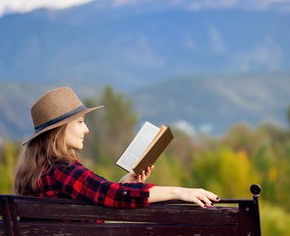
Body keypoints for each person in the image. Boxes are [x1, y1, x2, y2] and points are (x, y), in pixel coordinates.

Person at [14, 86, 219, 208]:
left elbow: (105, 193)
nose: (86, 130)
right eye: (80, 122)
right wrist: (179, 192)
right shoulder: (63, 171)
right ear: (58, 130)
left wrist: (123, 185)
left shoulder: (37, 173)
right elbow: (114, 196)